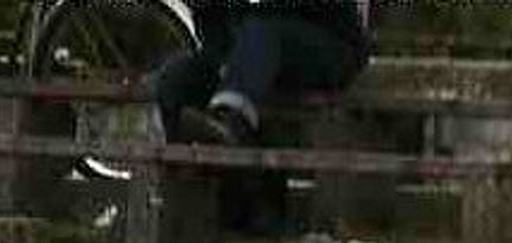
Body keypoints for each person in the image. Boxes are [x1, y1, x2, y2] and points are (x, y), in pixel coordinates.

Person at [154, 0, 370, 148]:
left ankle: (229, 123)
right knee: (177, 76)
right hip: (248, 58)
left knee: (261, 30)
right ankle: (184, 154)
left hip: (327, 45)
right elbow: (210, 22)